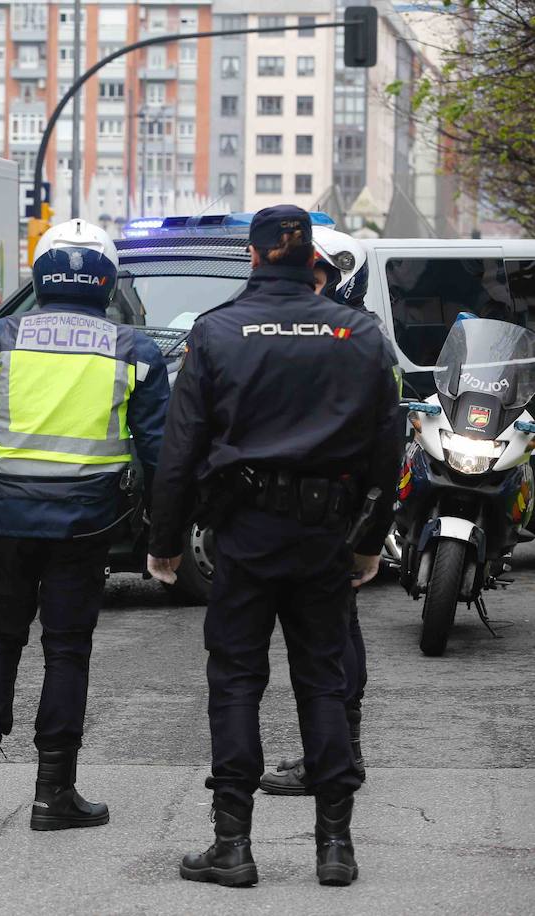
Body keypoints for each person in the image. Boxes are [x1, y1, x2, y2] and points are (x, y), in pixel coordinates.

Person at [147, 205, 403, 888]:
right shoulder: (361, 331)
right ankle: (336, 846)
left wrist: (164, 541)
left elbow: (180, 450)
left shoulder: (218, 331)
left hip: (246, 533)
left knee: (235, 680)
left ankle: (232, 844)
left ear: (254, 257)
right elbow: (388, 445)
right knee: (323, 679)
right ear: (311, 257)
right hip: (325, 535)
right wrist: (370, 540)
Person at [0, 219, 170, 831]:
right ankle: (52, 794)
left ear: (40, 275)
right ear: (107, 280)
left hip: (6, 520)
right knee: (67, 650)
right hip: (87, 525)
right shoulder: (134, 349)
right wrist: (165, 527)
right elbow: (158, 449)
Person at [261, 225, 372, 797]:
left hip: (324, 512)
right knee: (336, 635)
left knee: (326, 645)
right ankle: (340, 753)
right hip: (337, 511)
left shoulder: (336, 338)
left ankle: (337, 758)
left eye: (317, 271)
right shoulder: (350, 335)